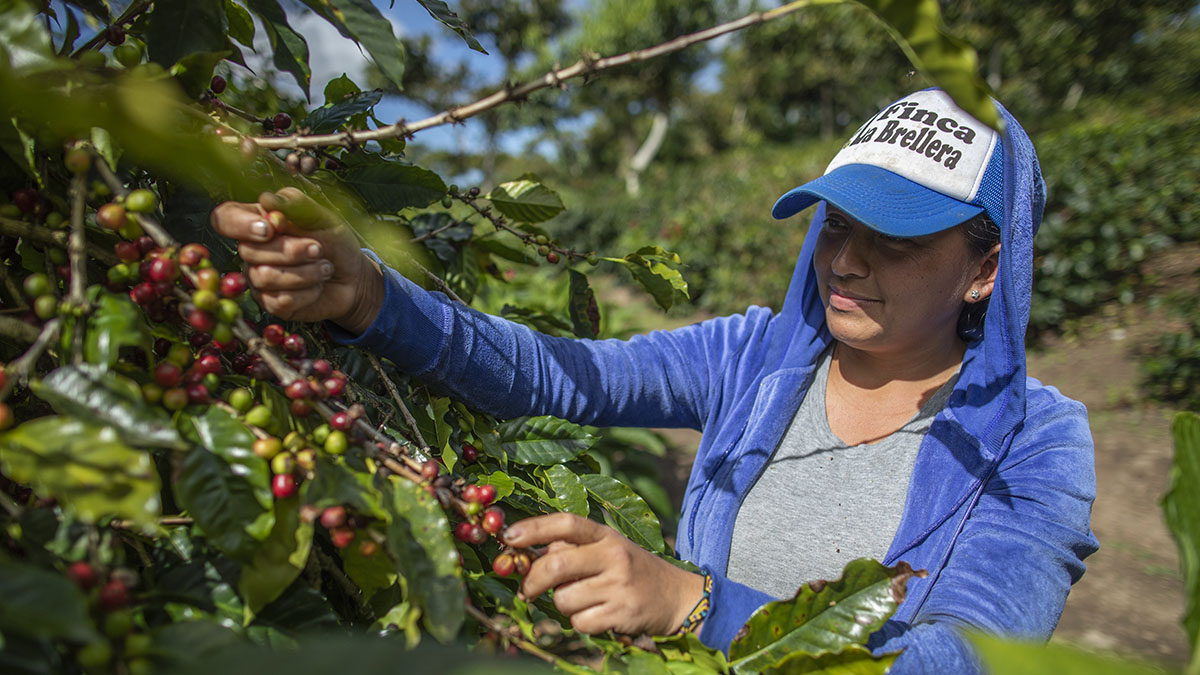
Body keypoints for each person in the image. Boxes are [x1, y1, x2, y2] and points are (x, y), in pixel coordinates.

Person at [210, 88, 1098, 673]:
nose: (849, 262)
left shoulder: (1037, 444)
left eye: (898, 242)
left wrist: (693, 604)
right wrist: (367, 292)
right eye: (835, 227)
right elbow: (557, 378)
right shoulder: (757, 359)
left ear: (985, 270)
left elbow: (970, 659)